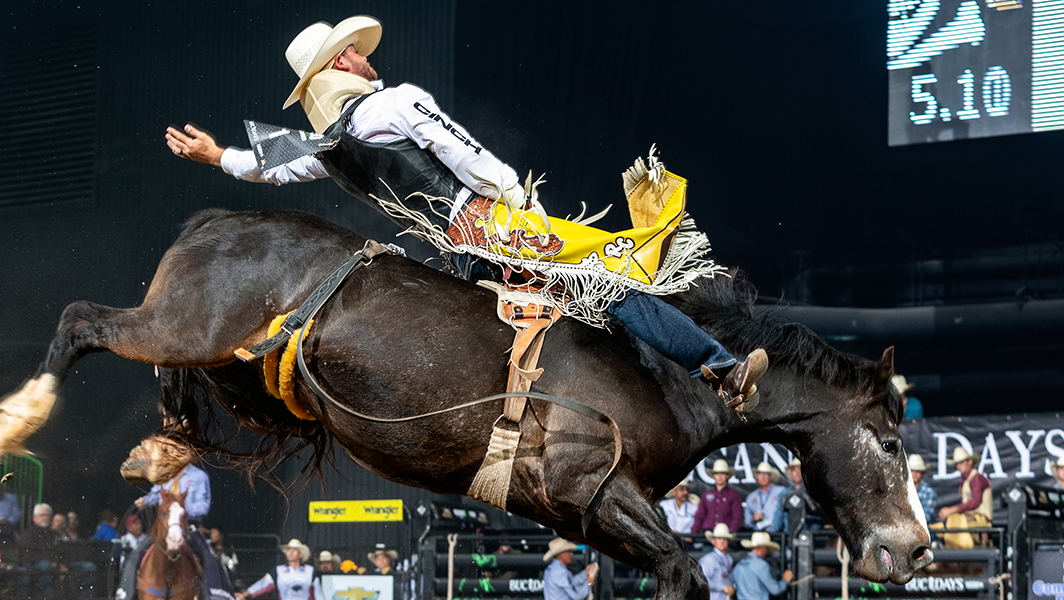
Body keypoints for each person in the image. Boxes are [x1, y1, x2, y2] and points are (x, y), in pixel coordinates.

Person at [164, 15, 769, 410]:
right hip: (490, 226)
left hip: (452, 255)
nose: (366, 57)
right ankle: (720, 369)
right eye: (355, 52)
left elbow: (274, 167)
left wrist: (218, 155)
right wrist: (518, 198)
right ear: (342, 65)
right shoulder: (396, 104)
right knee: (616, 282)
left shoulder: (329, 146)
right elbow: (468, 155)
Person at [125, 463, 232, 598]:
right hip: (164, 526)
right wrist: (145, 501)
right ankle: (124, 594)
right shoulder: (164, 473)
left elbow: (203, 505)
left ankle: (215, 595)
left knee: (209, 557)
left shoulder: (199, 476)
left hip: (188, 527)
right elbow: (155, 494)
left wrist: (179, 506)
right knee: (136, 554)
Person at [933, 446, 992, 548]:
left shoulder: (977, 478)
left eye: (961, 462)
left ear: (970, 461)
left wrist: (952, 510)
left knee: (951, 521)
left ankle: (955, 553)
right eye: (957, 464)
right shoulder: (968, 479)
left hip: (981, 518)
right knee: (948, 522)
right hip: (971, 517)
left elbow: (975, 502)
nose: (958, 466)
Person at [237, 538, 325, 600]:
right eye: (288, 550)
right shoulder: (278, 571)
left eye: (293, 550)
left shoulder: (310, 571)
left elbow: (318, 594)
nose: (290, 552)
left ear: (300, 554)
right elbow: (262, 584)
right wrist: (244, 594)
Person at [17, 503, 66, 599]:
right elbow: (29, 555)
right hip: (33, 565)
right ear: (34, 517)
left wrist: (62, 564)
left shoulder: (54, 534)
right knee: (46, 566)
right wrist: (52, 563)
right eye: (42, 515)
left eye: (48, 515)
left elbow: (63, 552)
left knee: (87, 566)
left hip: (54, 564)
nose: (45, 518)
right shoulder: (28, 533)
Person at [732, 532, 792, 600]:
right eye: (767, 549)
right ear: (763, 549)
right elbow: (775, 590)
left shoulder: (739, 565)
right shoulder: (762, 565)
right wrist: (785, 580)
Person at [694, 459, 744, 533]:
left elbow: (737, 517)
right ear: (714, 476)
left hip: (726, 534)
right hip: (707, 533)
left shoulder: (734, 495)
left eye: (722, 473)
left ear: (727, 476)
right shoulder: (706, 495)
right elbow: (700, 515)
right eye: (717, 473)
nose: (719, 476)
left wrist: (729, 534)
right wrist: (694, 531)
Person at [744, 462, 788, 532]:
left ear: (771, 477)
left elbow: (786, 514)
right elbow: (747, 522)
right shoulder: (751, 497)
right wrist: (753, 518)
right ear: (757, 477)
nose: (762, 477)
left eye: (766, 474)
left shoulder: (781, 492)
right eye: (760, 474)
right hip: (758, 533)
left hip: (777, 532)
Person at [699, 524, 736, 600]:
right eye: (719, 538)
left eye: (724, 538)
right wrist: (722, 587)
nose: (722, 541)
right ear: (713, 541)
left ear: (728, 541)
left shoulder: (729, 559)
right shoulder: (709, 559)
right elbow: (700, 580)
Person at [908, 454, 937, 525]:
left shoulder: (928, 492)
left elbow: (925, 517)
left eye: (917, 471)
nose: (914, 474)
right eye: (912, 471)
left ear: (922, 473)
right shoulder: (901, 490)